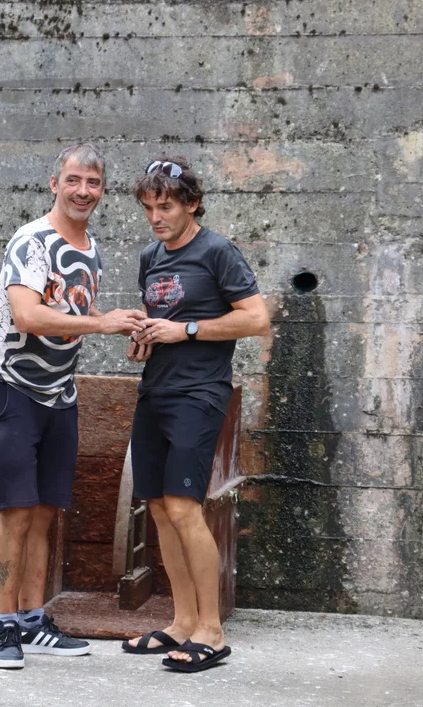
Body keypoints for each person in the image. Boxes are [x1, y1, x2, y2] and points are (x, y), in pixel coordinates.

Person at [0, 143, 147, 669]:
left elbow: (70, 311)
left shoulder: (91, 248)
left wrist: (124, 324)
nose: (82, 191)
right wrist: (101, 324)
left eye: (93, 183)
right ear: (55, 184)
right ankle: (5, 627)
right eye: (73, 180)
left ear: (103, 191)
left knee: (46, 513)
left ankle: (33, 620)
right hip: (10, 389)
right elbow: (27, 315)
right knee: (17, 512)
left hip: (59, 396)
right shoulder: (32, 241)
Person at [121, 156, 269, 672]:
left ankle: (212, 631)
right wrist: (145, 338)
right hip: (155, 389)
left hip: (199, 393)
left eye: (165, 207)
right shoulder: (150, 256)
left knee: (184, 507)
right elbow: (163, 318)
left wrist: (185, 331)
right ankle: (182, 622)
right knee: (160, 508)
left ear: (192, 203)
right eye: (148, 208)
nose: (155, 218)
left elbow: (256, 318)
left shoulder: (217, 251)